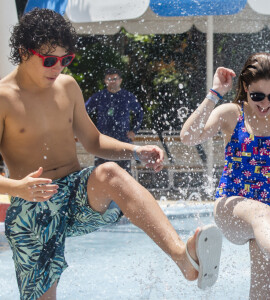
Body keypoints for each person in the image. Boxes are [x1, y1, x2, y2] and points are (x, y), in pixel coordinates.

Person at [0, 8, 222, 299]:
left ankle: (184, 258)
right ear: (23, 52)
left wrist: (135, 151)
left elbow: (93, 141)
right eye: (50, 60)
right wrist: (18, 187)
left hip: (75, 196)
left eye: (65, 60)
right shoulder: (4, 98)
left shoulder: (67, 87)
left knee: (110, 173)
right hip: (33, 208)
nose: (58, 68)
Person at [181, 52, 270, 298]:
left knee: (264, 296)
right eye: (257, 95)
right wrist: (214, 94)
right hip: (232, 206)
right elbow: (189, 137)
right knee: (260, 212)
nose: (266, 103)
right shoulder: (230, 113)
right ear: (245, 87)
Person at [85, 68, 144, 174]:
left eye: (114, 79)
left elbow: (139, 113)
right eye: (109, 79)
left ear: (120, 80)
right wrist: (90, 130)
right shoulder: (99, 96)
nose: (112, 81)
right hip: (103, 141)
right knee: (100, 173)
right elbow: (84, 111)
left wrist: (134, 130)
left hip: (122, 140)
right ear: (105, 81)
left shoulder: (127, 96)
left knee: (124, 173)